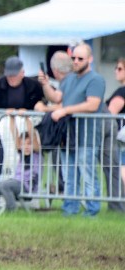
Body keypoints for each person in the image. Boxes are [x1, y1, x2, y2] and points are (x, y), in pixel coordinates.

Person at [40, 43, 105, 217]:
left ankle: (92, 211)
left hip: (87, 137)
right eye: (73, 58)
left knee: (88, 175)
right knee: (69, 175)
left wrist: (64, 110)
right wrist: (46, 84)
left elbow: (93, 104)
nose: (76, 61)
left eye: (80, 58)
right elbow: (56, 97)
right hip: (67, 137)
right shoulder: (68, 79)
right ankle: (70, 209)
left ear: (90, 59)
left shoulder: (95, 79)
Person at [0, 56, 46, 182]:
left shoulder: (33, 85)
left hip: (28, 127)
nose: (11, 79)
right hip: (3, 126)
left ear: (22, 73)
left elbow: (42, 104)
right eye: (9, 75)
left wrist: (29, 113)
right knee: (1, 154)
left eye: (14, 75)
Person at [0, 117, 41, 213]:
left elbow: (32, 135)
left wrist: (26, 117)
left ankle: (11, 211)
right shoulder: (21, 152)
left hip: (27, 187)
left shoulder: (37, 154)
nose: (26, 147)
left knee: (5, 185)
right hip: (16, 183)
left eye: (29, 144)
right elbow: (14, 134)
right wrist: (12, 117)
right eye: (23, 144)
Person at [101, 56, 125, 212]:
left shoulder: (121, 92)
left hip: (120, 138)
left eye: (120, 68)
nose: (116, 71)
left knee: (121, 169)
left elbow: (110, 114)